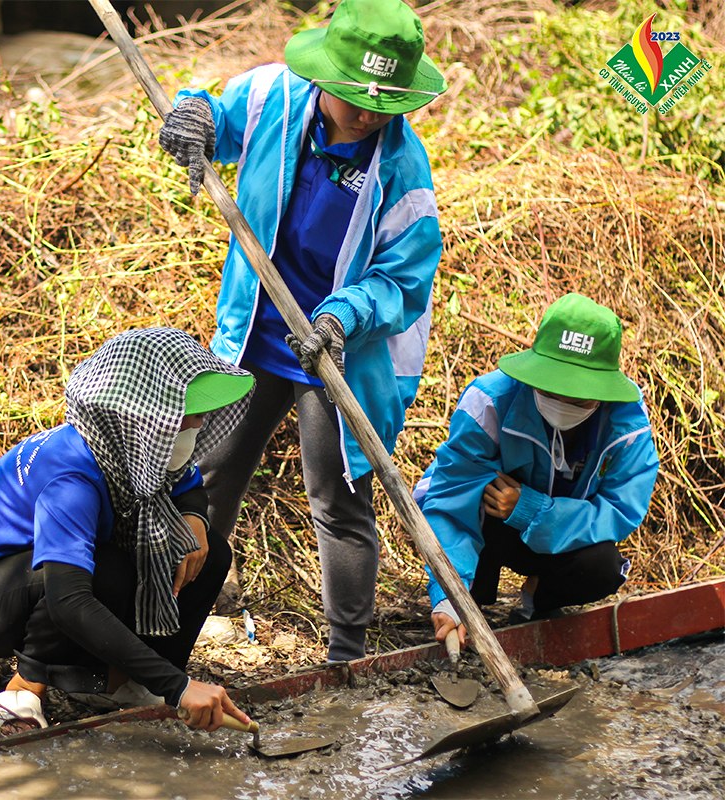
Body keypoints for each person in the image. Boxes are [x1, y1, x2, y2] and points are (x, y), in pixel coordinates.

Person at [157, 0, 446, 662]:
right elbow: (218, 123)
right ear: (326, 74)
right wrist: (194, 114)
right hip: (255, 329)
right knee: (209, 482)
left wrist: (340, 317)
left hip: (339, 348)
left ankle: (346, 656)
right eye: (354, 97)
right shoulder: (271, 99)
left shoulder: (403, 168)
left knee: (338, 497)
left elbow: (403, 280)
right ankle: (169, 636)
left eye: (382, 103)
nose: (367, 114)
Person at [0, 328, 255, 732]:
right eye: (189, 414)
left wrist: (195, 520)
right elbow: (68, 599)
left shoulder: (132, 451)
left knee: (213, 552)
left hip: (48, 577)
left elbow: (188, 487)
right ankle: (23, 690)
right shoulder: (72, 480)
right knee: (95, 573)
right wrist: (179, 687)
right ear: (144, 416)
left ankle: (123, 682)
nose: (200, 422)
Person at [414, 294, 660, 646]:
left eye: (577, 397)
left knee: (603, 567)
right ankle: (470, 604)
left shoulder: (628, 428)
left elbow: (619, 510)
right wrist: (450, 593)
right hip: (490, 527)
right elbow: (452, 502)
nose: (562, 402)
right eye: (552, 389)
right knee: (484, 496)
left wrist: (530, 510)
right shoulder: (490, 402)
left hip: (563, 534)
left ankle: (538, 597)